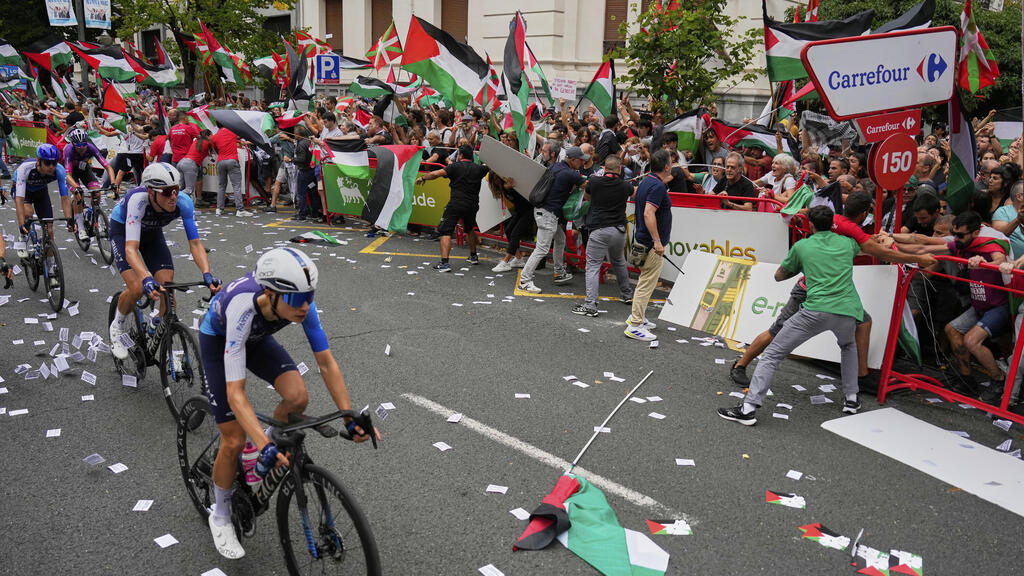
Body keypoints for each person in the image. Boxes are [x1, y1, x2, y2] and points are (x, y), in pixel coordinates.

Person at [197, 247, 376, 559]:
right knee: (234, 438)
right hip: (220, 339)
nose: (305, 306)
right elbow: (236, 394)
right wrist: (260, 441)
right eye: (296, 299)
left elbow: (326, 363)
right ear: (270, 293)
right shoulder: (243, 307)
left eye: (310, 295)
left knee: (297, 397)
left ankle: (257, 452)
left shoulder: (300, 304)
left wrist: (349, 418)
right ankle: (221, 515)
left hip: (257, 338)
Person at [730, 192, 938, 393]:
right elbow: (879, 251)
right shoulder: (848, 237)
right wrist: (919, 259)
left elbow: (864, 244)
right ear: (865, 214)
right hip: (811, 291)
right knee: (776, 332)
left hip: (832, 293)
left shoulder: (833, 224)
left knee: (863, 322)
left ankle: (862, 376)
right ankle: (740, 364)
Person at [719, 206, 865, 426]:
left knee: (772, 355)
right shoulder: (847, 243)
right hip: (847, 310)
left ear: (811, 225)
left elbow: (779, 275)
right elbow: (866, 247)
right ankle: (852, 399)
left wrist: (802, 265)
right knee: (848, 346)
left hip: (815, 309)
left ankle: (748, 409)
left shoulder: (802, 246)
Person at [107, 162, 219, 359]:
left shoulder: (183, 202)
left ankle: (156, 324)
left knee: (168, 289)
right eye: (167, 192)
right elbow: (131, 249)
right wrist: (146, 278)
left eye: (175, 189)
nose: (173, 197)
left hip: (151, 234)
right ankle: (117, 326)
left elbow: (195, 244)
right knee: (137, 287)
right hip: (124, 232)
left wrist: (207, 274)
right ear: (151, 192)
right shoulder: (138, 201)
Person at [518, 146, 590, 293]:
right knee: (542, 249)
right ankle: (525, 280)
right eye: (581, 160)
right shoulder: (570, 173)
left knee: (560, 238)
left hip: (543, 211)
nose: (583, 163)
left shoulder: (556, 166)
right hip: (548, 215)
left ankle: (559, 272)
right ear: (573, 159)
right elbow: (588, 188)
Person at [572, 155, 633, 317]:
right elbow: (632, 192)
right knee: (619, 261)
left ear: (604, 168)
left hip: (599, 229)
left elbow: (586, 196)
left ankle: (591, 305)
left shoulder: (595, 182)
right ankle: (627, 294)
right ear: (619, 169)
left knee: (592, 266)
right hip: (619, 229)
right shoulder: (625, 185)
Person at [417, 144, 490, 272]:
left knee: (445, 231)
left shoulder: (455, 167)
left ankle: (444, 263)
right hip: (472, 205)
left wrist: (423, 177)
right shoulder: (479, 169)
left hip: (456, 203)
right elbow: (492, 165)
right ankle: (473, 257)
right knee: (469, 229)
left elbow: (436, 174)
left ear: (460, 155)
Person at [625, 149, 672, 342]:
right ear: (667, 167)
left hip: (644, 238)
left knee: (646, 281)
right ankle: (635, 324)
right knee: (646, 282)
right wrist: (658, 241)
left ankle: (638, 317)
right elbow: (648, 213)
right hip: (651, 242)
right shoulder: (658, 186)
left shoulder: (647, 182)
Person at [13, 145, 74, 267]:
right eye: (47, 163)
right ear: (38, 161)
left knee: (50, 231)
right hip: (24, 192)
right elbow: (19, 200)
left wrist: (70, 220)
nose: (51, 167)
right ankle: (23, 238)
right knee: (28, 213)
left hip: (41, 192)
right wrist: (21, 224)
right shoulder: (25, 169)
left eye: (54, 163)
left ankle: (51, 267)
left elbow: (65, 198)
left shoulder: (59, 170)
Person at [63, 129, 116, 239]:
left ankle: (97, 221)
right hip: (71, 172)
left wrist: (113, 183)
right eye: (79, 145)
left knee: (97, 193)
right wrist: (77, 187)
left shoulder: (91, 147)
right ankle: (81, 228)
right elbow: (67, 174)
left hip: (84, 169)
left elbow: (108, 167)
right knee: (78, 195)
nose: (82, 147)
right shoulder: (69, 150)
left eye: (84, 144)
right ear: (73, 144)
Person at [209, 127, 250, 217]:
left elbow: (215, 149)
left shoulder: (214, 137)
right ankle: (240, 209)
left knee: (221, 186)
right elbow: (242, 134)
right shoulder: (232, 132)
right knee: (236, 186)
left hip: (220, 161)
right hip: (232, 160)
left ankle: (219, 209)